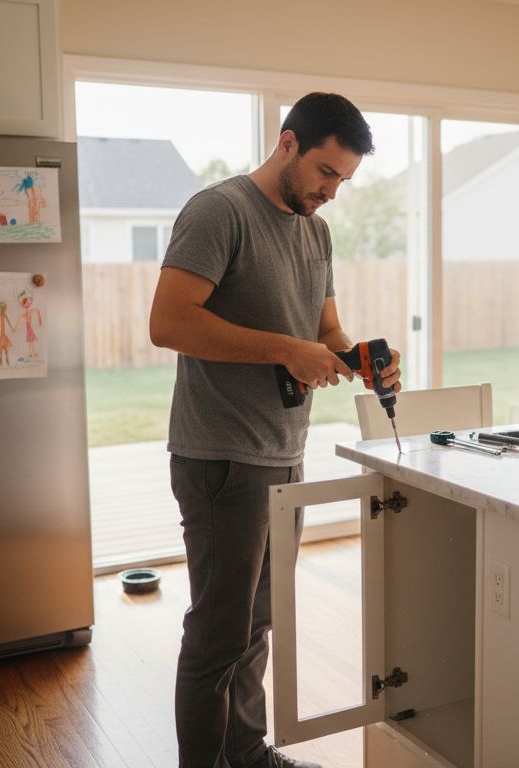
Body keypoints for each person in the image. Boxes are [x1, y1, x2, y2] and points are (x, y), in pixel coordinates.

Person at [149, 92, 400, 768]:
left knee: (258, 624)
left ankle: (249, 754)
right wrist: (286, 351)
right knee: (217, 637)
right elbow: (169, 323)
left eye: (343, 180)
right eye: (325, 172)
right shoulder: (219, 212)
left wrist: (357, 357)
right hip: (222, 457)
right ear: (287, 144)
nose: (331, 192)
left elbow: (323, 332)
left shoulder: (314, 232)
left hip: (284, 453)